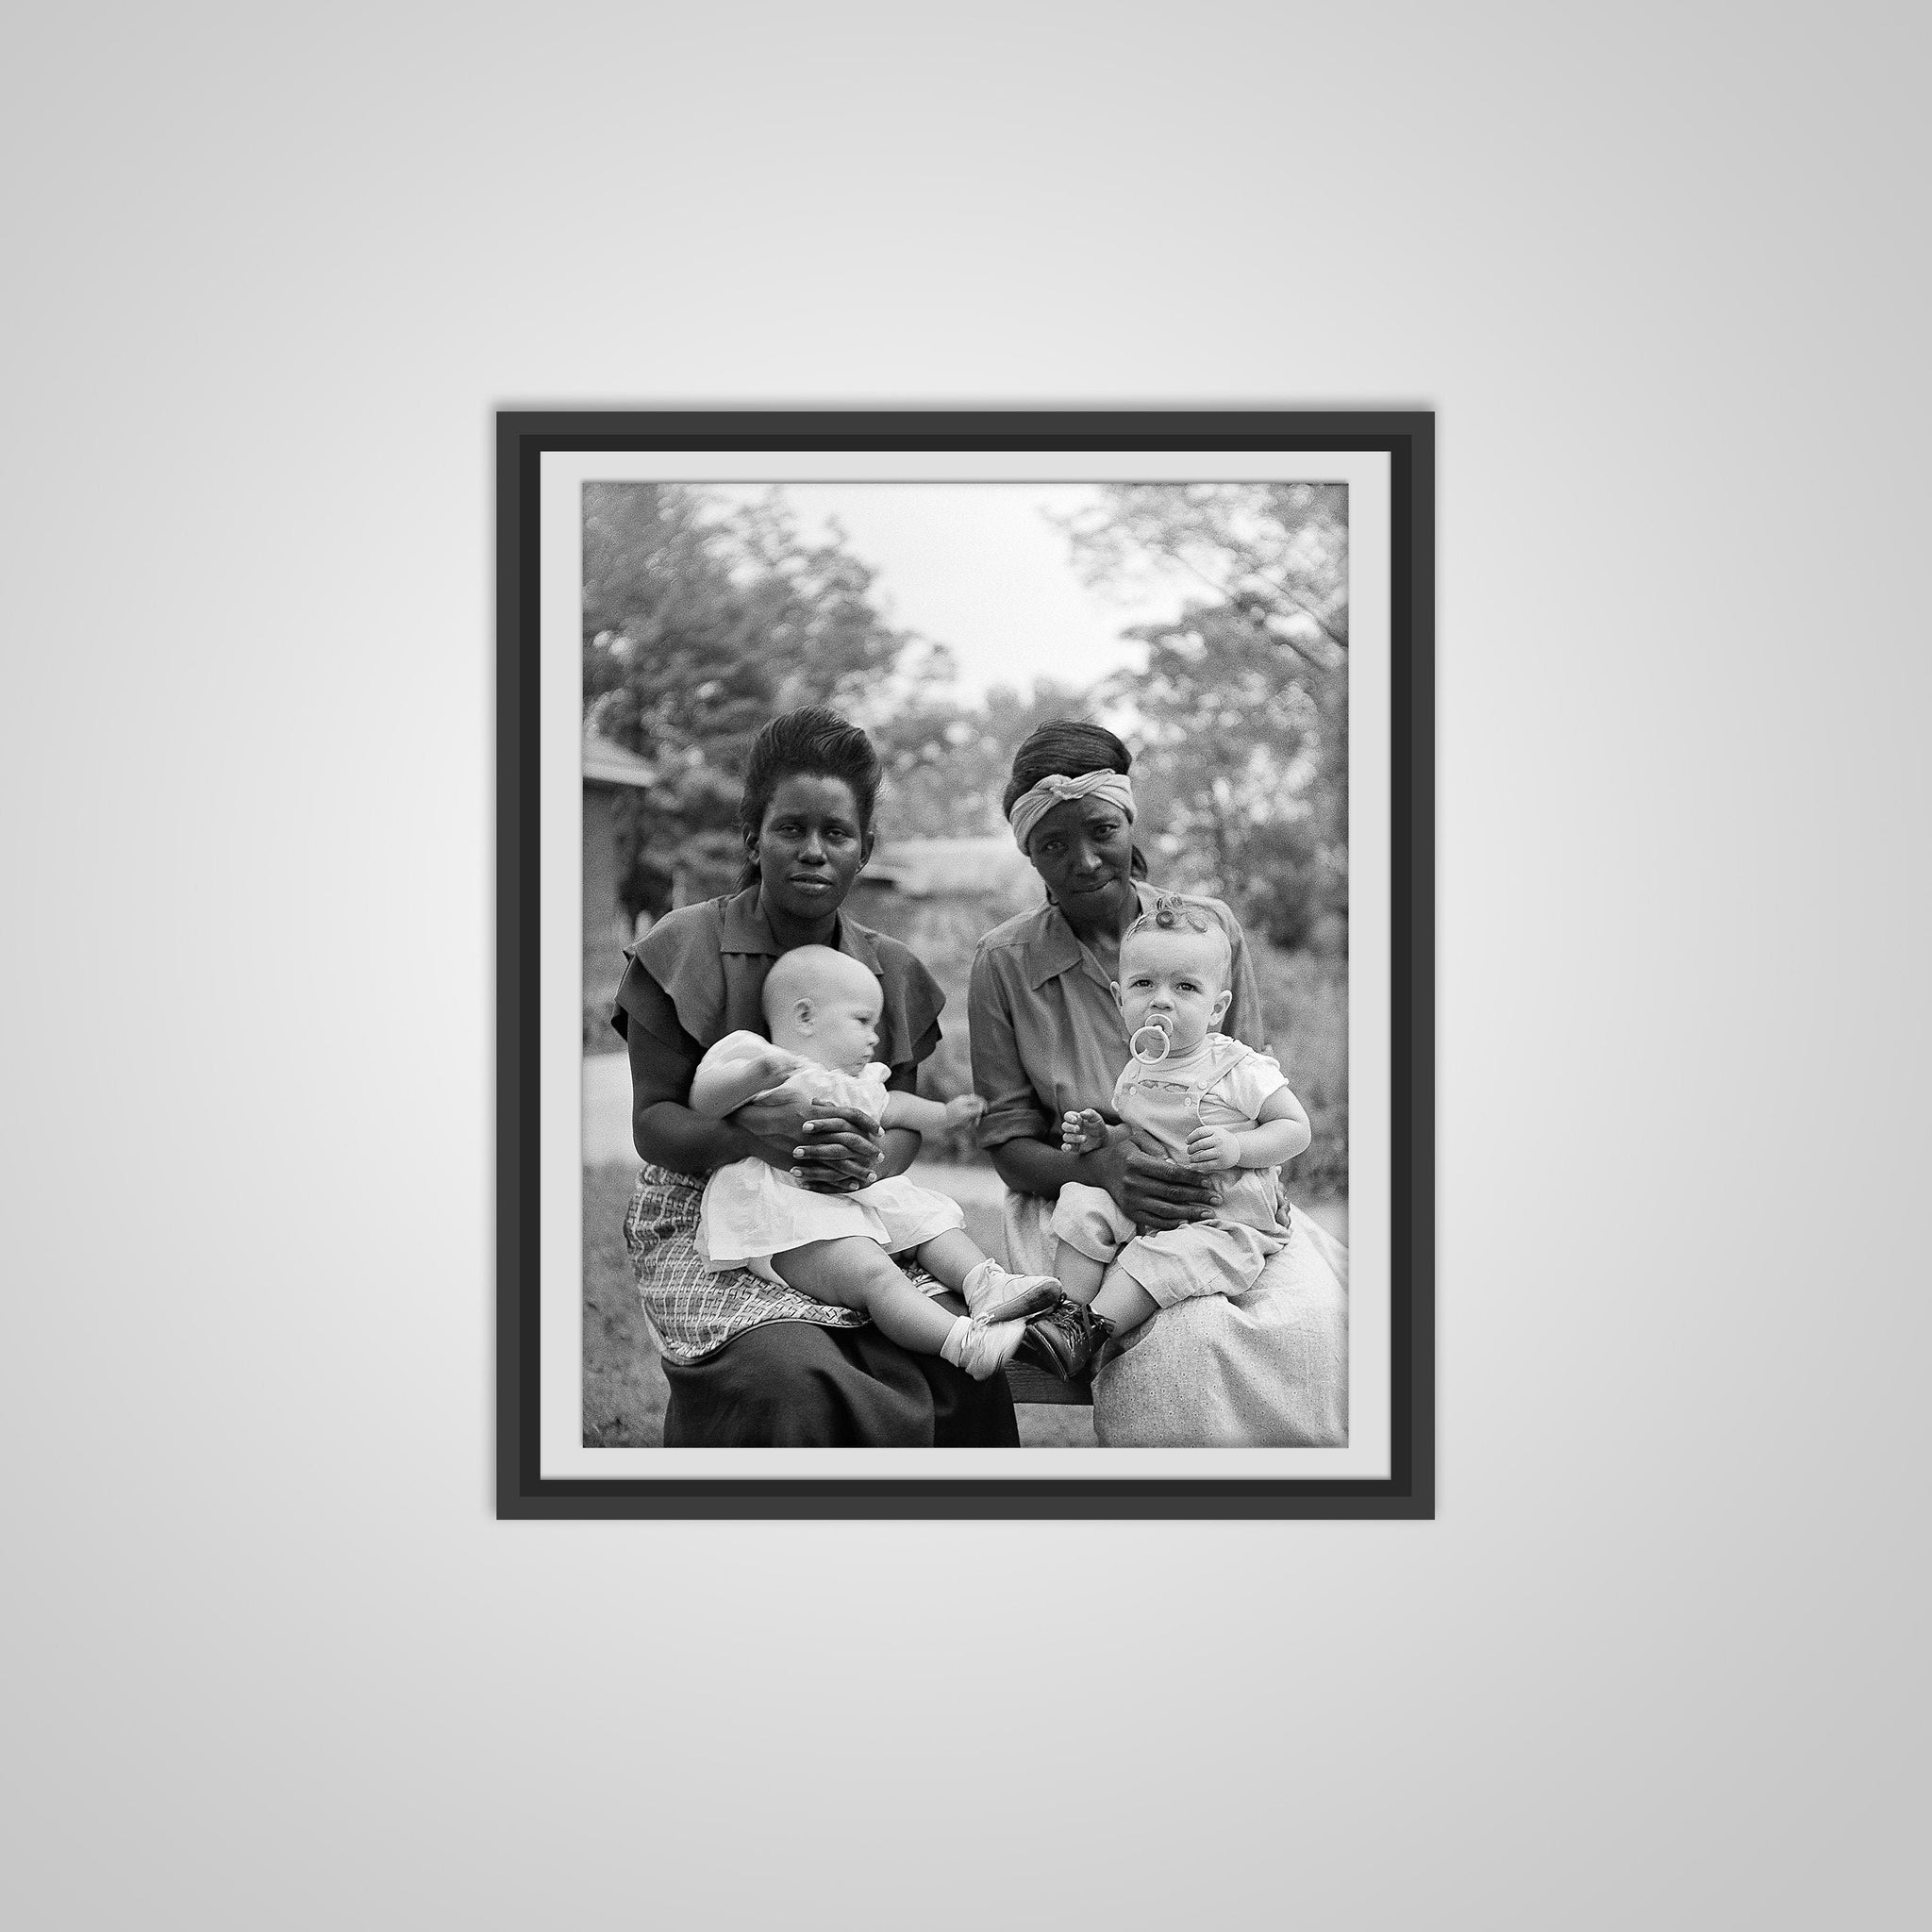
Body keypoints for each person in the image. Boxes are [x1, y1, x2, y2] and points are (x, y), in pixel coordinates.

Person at [615, 707, 1021, 1447]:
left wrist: (863, 1157)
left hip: (853, 1207)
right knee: (786, 1373)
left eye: (835, 833)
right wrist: (748, 1133)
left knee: (959, 1365)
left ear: (866, 847)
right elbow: (653, 1125)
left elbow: (896, 1120)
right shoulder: (684, 947)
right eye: (789, 829)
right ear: (753, 836)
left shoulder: (890, 972)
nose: (812, 851)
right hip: (715, 1217)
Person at [968, 722, 1350, 1447]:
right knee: (1178, 1341)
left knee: (1308, 1329)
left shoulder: (1212, 932)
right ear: (1029, 854)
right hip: (1074, 1202)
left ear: (1129, 821)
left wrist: (1223, 1159)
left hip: (1222, 1197)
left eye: (1102, 830)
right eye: (1052, 845)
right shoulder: (1004, 962)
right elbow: (1010, 1146)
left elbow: (1255, 1090)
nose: (1082, 861)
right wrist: (1101, 1163)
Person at [690, 944, 1059, 1378]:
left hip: (857, 1201)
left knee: (933, 1226)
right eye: (862, 1021)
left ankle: (987, 1284)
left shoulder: (858, 1080)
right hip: (786, 1220)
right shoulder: (758, 1056)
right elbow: (703, 1098)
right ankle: (964, 1343)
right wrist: (754, 1076)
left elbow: (896, 1106)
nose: (875, 1037)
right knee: (875, 1275)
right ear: (805, 1017)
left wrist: (945, 1116)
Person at [1013, 896, 1312, 1377]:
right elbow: (1140, 1135)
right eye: (1143, 984)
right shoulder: (1137, 1069)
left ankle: (1090, 1329)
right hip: (1153, 1203)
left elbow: (1296, 1129)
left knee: (1164, 1258)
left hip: (1224, 1217)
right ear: (1119, 999)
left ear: (1217, 1009)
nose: (1161, 999)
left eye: (1186, 986)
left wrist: (1239, 1147)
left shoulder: (1238, 1068)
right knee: (1079, 1200)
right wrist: (1102, 1137)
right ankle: (1063, 1314)